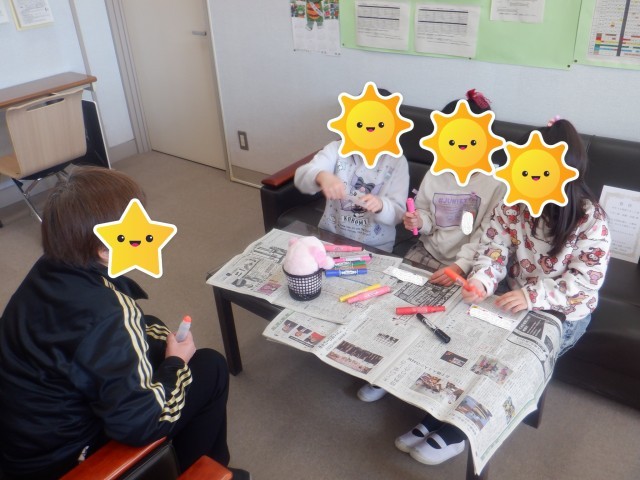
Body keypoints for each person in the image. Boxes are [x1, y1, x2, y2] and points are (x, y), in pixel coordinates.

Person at [0, 167, 249, 480]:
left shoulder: (50, 268)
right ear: (104, 250)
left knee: (153, 328)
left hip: (25, 443)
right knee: (210, 367)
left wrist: (159, 341)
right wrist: (175, 364)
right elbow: (142, 424)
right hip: (67, 462)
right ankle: (206, 473)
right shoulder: (110, 312)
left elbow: (102, 338)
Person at [396, 118, 611, 466]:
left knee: (505, 361)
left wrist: (531, 297)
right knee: (465, 341)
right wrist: (482, 280)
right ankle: (439, 413)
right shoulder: (514, 203)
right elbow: (493, 249)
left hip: (563, 313)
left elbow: (584, 282)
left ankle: (459, 430)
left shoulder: (590, 219)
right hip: (511, 298)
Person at [358, 89, 506, 402]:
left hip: (466, 264)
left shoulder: (495, 182)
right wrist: (418, 221)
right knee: (396, 307)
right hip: (426, 252)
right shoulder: (436, 171)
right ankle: (383, 370)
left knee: (447, 325)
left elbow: (487, 235)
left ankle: (426, 379)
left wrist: (459, 267)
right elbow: (425, 214)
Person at [294, 137, 410, 254]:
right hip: (330, 237)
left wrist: (381, 205)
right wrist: (321, 175)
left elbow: (399, 213)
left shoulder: (397, 161)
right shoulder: (336, 149)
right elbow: (301, 177)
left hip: (375, 246)